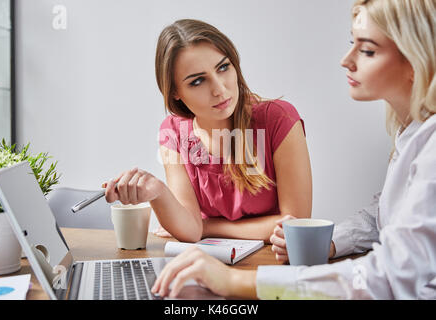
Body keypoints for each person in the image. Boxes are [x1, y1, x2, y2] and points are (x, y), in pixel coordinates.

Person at [151, 0, 436, 299]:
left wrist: (234, 281)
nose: (345, 59)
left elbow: (387, 277)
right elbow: (384, 217)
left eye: (367, 50)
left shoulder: (430, 145)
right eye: (352, 43)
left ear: (416, 59)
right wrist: (331, 241)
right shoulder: (411, 134)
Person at [104, 19, 312, 243]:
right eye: (197, 81)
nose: (219, 89)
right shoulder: (173, 133)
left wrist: (208, 226)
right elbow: (191, 231)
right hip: (206, 266)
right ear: (175, 91)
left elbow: (296, 224)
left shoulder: (279, 119)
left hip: (272, 265)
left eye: (223, 67)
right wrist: (158, 192)